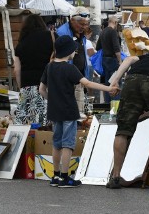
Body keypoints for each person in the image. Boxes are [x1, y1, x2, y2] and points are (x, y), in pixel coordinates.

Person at [39, 35, 117, 188]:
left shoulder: (49, 67)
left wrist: (52, 100)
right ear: (69, 52)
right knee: (68, 144)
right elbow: (87, 83)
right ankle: (65, 177)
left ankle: (55, 176)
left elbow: (42, 89)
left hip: (54, 111)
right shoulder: (70, 68)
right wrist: (109, 88)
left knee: (57, 143)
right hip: (69, 110)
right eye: (74, 50)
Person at [105, 51, 149, 189]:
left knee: (123, 130)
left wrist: (115, 80)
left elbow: (129, 60)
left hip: (131, 80)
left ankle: (115, 177)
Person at [14, 14, 55, 125]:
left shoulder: (21, 44)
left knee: (26, 120)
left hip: (27, 85)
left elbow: (17, 69)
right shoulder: (51, 37)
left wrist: (21, 87)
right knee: (46, 120)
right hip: (47, 84)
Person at [56, 6, 96, 115]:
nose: (84, 27)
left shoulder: (81, 34)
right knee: (70, 113)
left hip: (79, 78)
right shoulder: (62, 32)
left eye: (86, 24)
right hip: (68, 79)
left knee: (80, 112)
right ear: (72, 20)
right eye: (82, 24)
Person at [97, 15, 122, 104]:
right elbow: (116, 48)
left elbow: (98, 47)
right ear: (115, 23)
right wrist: (120, 61)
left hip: (105, 60)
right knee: (116, 83)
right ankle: (115, 107)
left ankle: (107, 105)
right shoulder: (113, 32)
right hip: (113, 60)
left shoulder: (102, 32)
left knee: (108, 83)